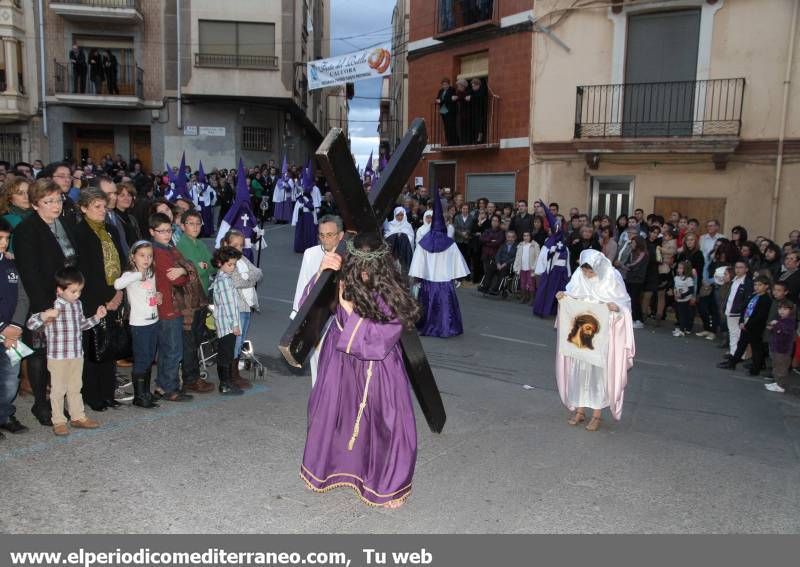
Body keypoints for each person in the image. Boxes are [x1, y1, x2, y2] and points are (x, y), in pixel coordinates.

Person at [298, 232, 421, 508]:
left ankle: (388, 486)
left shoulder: (393, 293)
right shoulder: (343, 279)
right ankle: (330, 470)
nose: (363, 273)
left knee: (387, 424)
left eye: (369, 268)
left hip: (378, 369)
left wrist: (349, 310)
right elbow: (308, 310)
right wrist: (320, 274)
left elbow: (379, 342)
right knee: (330, 414)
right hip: (340, 361)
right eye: (359, 267)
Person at [14, 180, 79, 426]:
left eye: (58, 199)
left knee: (62, 355)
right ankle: (41, 404)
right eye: (48, 201)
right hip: (43, 303)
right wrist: (45, 309)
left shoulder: (64, 223)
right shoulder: (27, 230)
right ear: (34, 204)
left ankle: (60, 401)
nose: (55, 205)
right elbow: (29, 273)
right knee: (40, 355)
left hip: (68, 300)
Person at [555, 250, 635, 432]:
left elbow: (624, 303)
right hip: (581, 334)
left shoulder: (611, 276)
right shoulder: (579, 275)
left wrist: (617, 308)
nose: (587, 275)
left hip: (601, 335)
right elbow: (572, 294)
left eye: (590, 272)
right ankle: (580, 410)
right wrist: (563, 296)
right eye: (584, 271)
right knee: (579, 371)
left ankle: (597, 414)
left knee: (598, 374)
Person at [26, 267, 106, 436]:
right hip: (58, 357)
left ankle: (78, 417)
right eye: (73, 291)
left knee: (76, 387)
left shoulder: (78, 305)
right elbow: (31, 325)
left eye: (80, 291)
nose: (77, 295)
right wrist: (44, 316)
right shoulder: (52, 305)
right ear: (59, 290)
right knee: (58, 390)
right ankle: (59, 420)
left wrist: (96, 318)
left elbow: (82, 326)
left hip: (76, 355)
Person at [74, 188, 125, 411]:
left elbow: (121, 262)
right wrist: (103, 300)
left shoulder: (111, 229)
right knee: (93, 347)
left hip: (113, 293)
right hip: (91, 298)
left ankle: (108, 393)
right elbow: (85, 270)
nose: (103, 210)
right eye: (97, 207)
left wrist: (119, 292)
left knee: (109, 347)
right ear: (84, 208)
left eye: (104, 206)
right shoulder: (79, 233)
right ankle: (92, 395)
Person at [291, 215, 345, 385]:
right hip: (317, 318)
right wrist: (297, 319)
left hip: (340, 320)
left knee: (339, 370)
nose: (324, 239)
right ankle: (319, 403)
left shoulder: (347, 255)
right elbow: (303, 284)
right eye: (321, 235)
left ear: (340, 235)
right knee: (317, 364)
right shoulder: (310, 254)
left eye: (330, 235)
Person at [409, 188, 469, 337]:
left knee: (429, 305)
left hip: (429, 282)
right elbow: (458, 263)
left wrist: (417, 277)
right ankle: (446, 328)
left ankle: (428, 327)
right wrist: (456, 277)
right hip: (445, 282)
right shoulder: (450, 243)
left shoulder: (424, 243)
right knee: (445, 306)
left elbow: (418, 263)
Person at [149, 213, 193, 402]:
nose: (167, 234)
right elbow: (178, 278)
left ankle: (162, 384)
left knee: (170, 348)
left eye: (169, 230)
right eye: (162, 231)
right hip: (168, 305)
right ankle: (169, 387)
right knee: (173, 349)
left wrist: (184, 268)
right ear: (152, 232)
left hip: (173, 304)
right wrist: (185, 270)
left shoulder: (169, 248)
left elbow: (186, 266)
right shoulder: (158, 252)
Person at [114, 240, 160, 408]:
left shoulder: (151, 273)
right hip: (139, 324)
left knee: (149, 357)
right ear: (133, 257)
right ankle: (139, 396)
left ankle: (146, 392)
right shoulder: (130, 275)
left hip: (154, 320)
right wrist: (137, 275)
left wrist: (158, 296)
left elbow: (152, 292)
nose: (146, 259)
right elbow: (117, 284)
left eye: (149, 256)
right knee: (141, 358)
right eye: (142, 255)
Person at [176, 210, 216, 394]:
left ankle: (193, 374)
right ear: (183, 226)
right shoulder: (182, 244)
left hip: (201, 297)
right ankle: (190, 378)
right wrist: (201, 267)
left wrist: (202, 267)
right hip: (189, 299)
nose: (195, 227)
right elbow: (193, 270)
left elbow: (210, 266)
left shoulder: (200, 244)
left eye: (198, 223)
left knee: (197, 337)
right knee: (189, 340)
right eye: (190, 223)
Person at [221, 229, 262, 390]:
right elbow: (237, 281)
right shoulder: (227, 261)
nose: (238, 248)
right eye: (235, 244)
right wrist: (250, 278)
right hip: (235, 307)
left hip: (246, 306)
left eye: (241, 245)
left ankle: (235, 373)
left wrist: (249, 278)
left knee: (241, 338)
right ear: (226, 244)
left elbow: (259, 272)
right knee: (235, 341)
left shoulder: (243, 258)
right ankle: (231, 375)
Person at [0, 218, 29, 436]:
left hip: (13, 332)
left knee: (11, 378)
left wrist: (16, 326)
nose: (4, 243)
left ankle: (5, 414)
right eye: (0, 238)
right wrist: (3, 328)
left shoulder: (12, 265)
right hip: (3, 330)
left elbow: (23, 297)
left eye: (6, 238)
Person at [718, 275, 773, 375]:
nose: (756, 287)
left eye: (760, 285)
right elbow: (745, 308)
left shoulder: (766, 300)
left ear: (766, 286)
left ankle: (755, 369)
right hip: (745, 324)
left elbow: (760, 316)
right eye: (755, 284)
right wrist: (742, 321)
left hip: (755, 327)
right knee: (741, 345)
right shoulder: (753, 295)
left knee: (756, 348)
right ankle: (733, 362)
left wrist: (747, 324)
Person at [209, 247, 246, 395]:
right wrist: (235, 325)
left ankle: (228, 382)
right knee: (225, 354)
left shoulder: (223, 277)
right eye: (229, 264)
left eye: (234, 264)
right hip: (227, 325)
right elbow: (229, 305)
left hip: (226, 324)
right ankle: (224, 385)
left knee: (227, 353)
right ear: (219, 263)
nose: (232, 267)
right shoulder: (224, 281)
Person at [533, 201, 570, 317]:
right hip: (550, 272)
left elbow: (567, 257)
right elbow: (544, 257)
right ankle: (543, 310)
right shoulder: (549, 243)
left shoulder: (564, 242)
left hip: (561, 272)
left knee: (559, 292)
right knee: (547, 292)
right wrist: (540, 271)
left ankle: (557, 311)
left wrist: (568, 272)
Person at [765, 300, 797, 393]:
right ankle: (777, 382)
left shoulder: (790, 321)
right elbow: (778, 330)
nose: (782, 311)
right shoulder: (781, 319)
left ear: (791, 310)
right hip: (776, 347)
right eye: (780, 308)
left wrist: (776, 324)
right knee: (776, 366)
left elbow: (785, 330)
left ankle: (780, 385)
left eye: (785, 309)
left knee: (782, 368)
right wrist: (772, 327)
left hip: (783, 350)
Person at [723, 261, 753, 358]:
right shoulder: (734, 280)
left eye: (741, 267)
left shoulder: (747, 283)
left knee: (738, 334)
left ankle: (740, 355)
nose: (738, 269)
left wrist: (741, 310)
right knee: (732, 333)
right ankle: (733, 352)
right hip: (730, 310)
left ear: (746, 269)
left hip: (739, 312)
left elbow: (747, 299)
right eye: (736, 267)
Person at [481, 230, 516, 295]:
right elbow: (498, 255)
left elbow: (515, 258)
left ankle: (496, 289)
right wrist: (498, 263)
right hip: (499, 263)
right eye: (508, 237)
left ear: (514, 238)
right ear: (506, 237)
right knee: (489, 269)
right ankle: (485, 287)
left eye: (512, 237)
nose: (510, 239)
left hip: (508, 265)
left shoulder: (517, 247)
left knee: (503, 273)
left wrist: (505, 264)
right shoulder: (503, 245)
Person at [383, 206, 415, 274]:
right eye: (398, 215)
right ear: (395, 215)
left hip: (404, 252)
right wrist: (396, 236)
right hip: (393, 252)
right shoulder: (390, 224)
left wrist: (402, 236)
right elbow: (386, 236)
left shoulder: (408, 225)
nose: (400, 217)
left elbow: (411, 238)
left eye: (401, 215)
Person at [514, 231, 540, 304]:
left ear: (530, 236)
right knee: (522, 283)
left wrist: (534, 267)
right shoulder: (520, 245)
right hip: (522, 267)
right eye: (524, 236)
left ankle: (532, 298)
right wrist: (516, 266)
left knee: (531, 283)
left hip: (530, 268)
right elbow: (517, 257)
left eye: (527, 235)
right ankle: (524, 297)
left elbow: (537, 257)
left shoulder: (535, 245)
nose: (526, 237)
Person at [672, 260, 696, 336]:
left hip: (685, 300)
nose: (679, 270)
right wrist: (675, 294)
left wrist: (682, 295)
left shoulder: (688, 279)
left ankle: (682, 330)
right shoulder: (676, 278)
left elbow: (691, 290)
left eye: (681, 268)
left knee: (683, 315)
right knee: (679, 314)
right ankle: (683, 328)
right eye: (678, 268)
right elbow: (675, 287)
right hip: (678, 299)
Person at [435, 78, 458, 146]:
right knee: (446, 127)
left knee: (451, 126)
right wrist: (438, 100)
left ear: (448, 84)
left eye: (446, 84)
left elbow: (449, 98)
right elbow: (438, 98)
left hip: (450, 110)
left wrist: (441, 101)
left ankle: (453, 142)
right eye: (443, 85)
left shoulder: (452, 90)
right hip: (443, 110)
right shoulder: (441, 91)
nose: (444, 86)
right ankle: (448, 142)